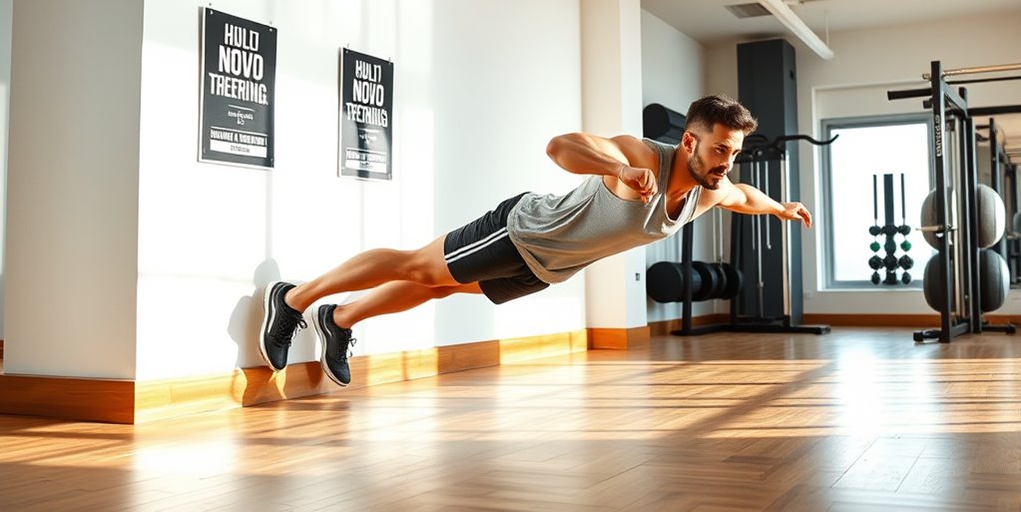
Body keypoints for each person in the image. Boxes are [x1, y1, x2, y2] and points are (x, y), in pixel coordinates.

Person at [259, 94, 812, 386]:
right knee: (416, 267)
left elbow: (746, 196)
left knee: (436, 289)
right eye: (720, 149)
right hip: (520, 232)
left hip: (547, 268)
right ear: (690, 139)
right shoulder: (642, 155)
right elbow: (561, 146)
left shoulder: (709, 191)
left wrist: (782, 209)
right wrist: (616, 170)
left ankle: (340, 320)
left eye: (734, 152)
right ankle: (294, 299)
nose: (727, 162)